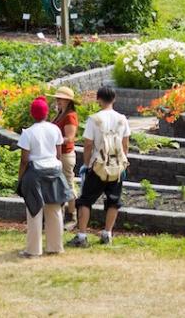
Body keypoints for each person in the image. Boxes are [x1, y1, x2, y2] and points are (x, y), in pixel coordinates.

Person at [69, 86, 130, 248]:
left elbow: (88, 144)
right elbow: (125, 144)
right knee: (113, 200)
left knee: (85, 200)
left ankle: (82, 235)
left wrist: (87, 164)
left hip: (98, 164)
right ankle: (107, 233)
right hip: (117, 165)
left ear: (99, 99)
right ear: (114, 99)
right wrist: (123, 161)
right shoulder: (122, 119)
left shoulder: (94, 119)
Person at [18, 97, 73, 257]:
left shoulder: (28, 133)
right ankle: (55, 246)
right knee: (54, 209)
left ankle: (33, 249)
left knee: (34, 210)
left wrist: (21, 179)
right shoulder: (55, 129)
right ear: (47, 113)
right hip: (54, 170)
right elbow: (58, 153)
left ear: (32, 114)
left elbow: (24, 160)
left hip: (35, 172)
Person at [50, 86, 79, 222]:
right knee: (60, 184)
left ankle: (71, 214)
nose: (58, 101)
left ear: (68, 101)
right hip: (58, 154)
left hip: (66, 155)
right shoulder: (60, 113)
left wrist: (53, 140)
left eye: (61, 99)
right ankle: (61, 214)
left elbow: (70, 138)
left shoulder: (70, 116)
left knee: (68, 183)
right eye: (57, 98)